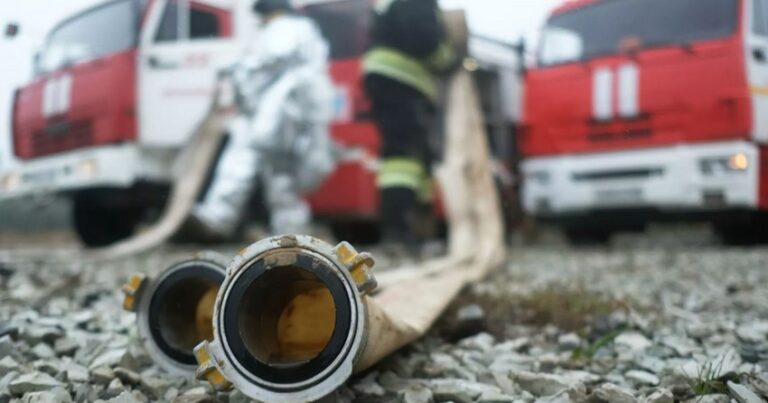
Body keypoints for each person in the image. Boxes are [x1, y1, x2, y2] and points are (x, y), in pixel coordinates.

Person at [191, 0, 335, 237]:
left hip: (280, 115)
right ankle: (290, 231)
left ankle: (219, 217)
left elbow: (269, 59)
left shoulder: (285, 28)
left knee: (245, 160)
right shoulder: (306, 31)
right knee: (280, 176)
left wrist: (233, 66)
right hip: (294, 117)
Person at [363, 0, 458, 252]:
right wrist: (449, 59)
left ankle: (418, 232)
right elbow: (425, 40)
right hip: (400, 80)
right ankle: (398, 233)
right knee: (402, 157)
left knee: (416, 158)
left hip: (394, 79)